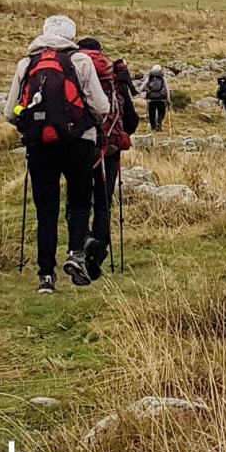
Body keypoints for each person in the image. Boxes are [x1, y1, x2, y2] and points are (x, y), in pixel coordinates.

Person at [7, 14, 113, 293]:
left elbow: (10, 112)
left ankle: (45, 276)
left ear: (43, 34)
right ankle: (76, 254)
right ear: (72, 35)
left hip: (39, 145)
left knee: (46, 210)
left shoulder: (27, 63)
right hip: (78, 142)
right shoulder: (80, 61)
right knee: (79, 201)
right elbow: (101, 107)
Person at [74, 36, 138, 280]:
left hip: (78, 148)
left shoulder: (72, 71)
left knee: (78, 202)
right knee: (103, 203)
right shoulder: (114, 76)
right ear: (101, 52)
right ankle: (97, 258)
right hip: (109, 151)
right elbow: (131, 121)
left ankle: (83, 240)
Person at [145, 65, 172, 132]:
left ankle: (153, 127)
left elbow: (143, 87)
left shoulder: (149, 78)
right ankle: (159, 124)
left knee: (151, 114)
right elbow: (167, 90)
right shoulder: (163, 78)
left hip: (151, 99)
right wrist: (168, 101)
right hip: (161, 99)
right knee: (161, 113)